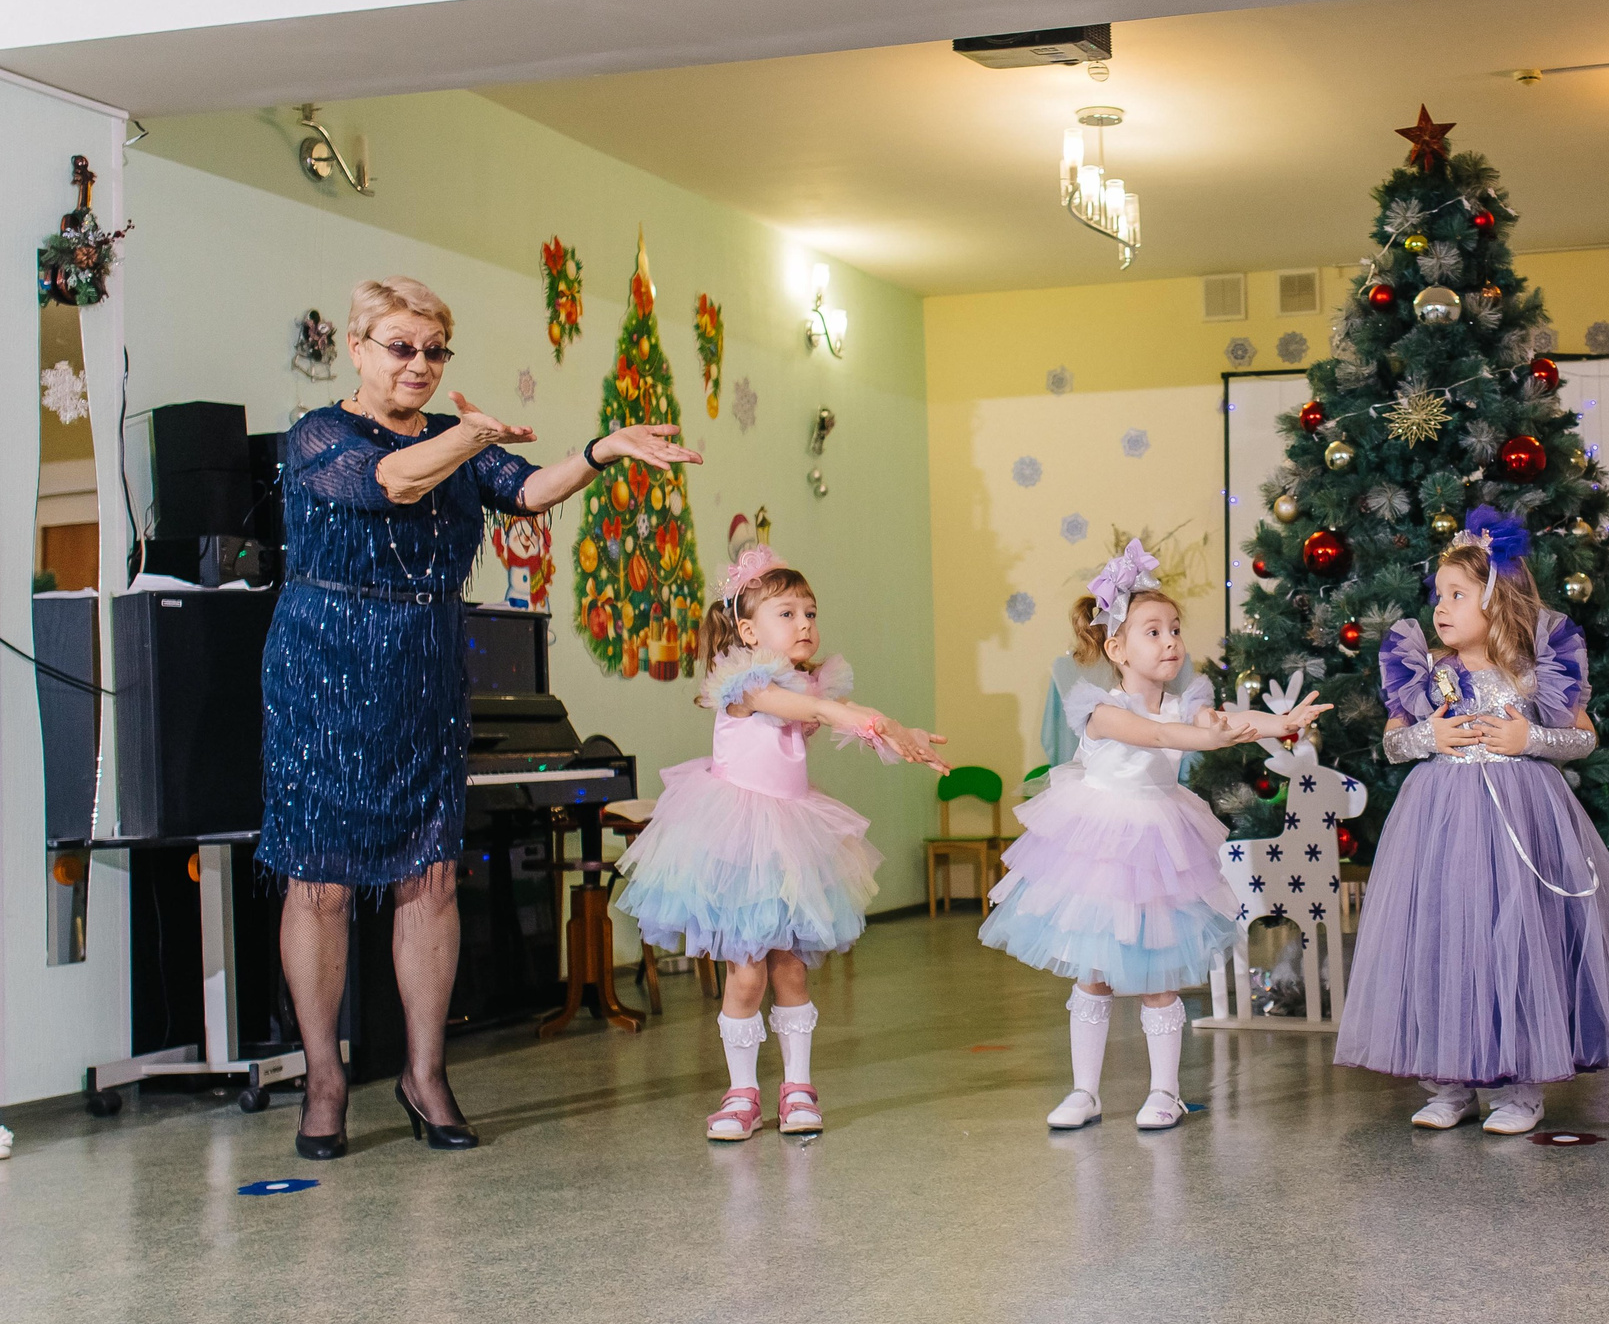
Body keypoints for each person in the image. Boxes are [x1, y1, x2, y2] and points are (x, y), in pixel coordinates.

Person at [262, 276, 701, 1160]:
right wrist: (465, 436)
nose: (419, 364)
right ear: (358, 348)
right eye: (400, 347)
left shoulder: (453, 442)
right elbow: (391, 481)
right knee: (323, 879)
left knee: (431, 872)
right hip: (324, 666)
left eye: (433, 350)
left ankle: (425, 1075)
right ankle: (324, 1078)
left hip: (423, 666)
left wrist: (601, 448)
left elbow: (534, 489)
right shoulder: (318, 435)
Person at [982, 540, 1324, 1131]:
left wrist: (1280, 724)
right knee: (1093, 973)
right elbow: (1161, 739)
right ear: (1116, 648)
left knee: (1156, 974)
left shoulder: (1187, 702)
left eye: (1175, 629)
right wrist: (1212, 736)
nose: (1170, 642)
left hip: (1161, 845)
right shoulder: (1099, 709)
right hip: (1102, 844)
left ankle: (1163, 1091)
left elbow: (1224, 723)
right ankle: (1085, 1091)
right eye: (1153, 631)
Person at [1335, 509, 1609, 1136]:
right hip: (1439, 818)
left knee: (1516, 933)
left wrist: (1529, 735)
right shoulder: (1425, 671)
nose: (1442, 608)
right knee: (1444, 931)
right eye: (1439, 596)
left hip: (1522, 814)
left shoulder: (1536, 670)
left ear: (1497, 600)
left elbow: (1583, 739)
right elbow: (1392, 743)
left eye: (1458, 595)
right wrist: (1431, 732)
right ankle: (1449, 1082)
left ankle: (1519, 1086)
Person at [615, 547, 948, 1141]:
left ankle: (798, 1088)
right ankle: (742, 1092)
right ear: (748, 630)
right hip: (738, 839)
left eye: (810, 613)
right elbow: (817, 709)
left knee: (791, 970)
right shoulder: (744, 685)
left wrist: (902, 733)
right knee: (748, 975)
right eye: (787, 613)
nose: (805, 625)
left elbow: (837, 710)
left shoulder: (810, 683)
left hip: (792, 839)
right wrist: (864, 719)